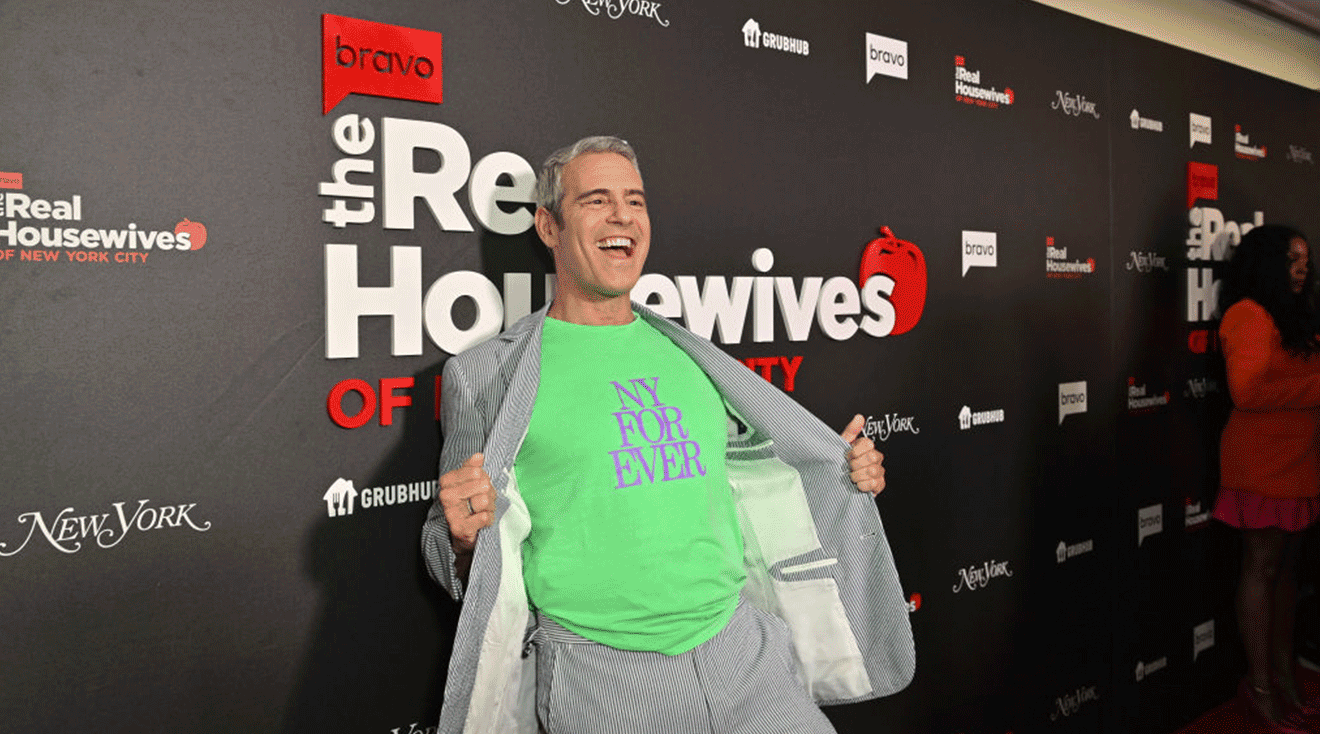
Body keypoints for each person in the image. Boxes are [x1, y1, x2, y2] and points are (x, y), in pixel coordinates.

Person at [421, 136, 914, 734]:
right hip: (605, 684)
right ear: (549, 227)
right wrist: (462, 535)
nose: (623, 216)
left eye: (635, 200)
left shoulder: (693, 354)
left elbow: (759, 480)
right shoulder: (485, 375)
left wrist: (843, 472)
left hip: (747, 656)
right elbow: (448, 549)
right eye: (596, 200)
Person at [1215, 224, 1320, 733]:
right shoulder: (1248, 314)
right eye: (1291, 260)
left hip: (1300, 464)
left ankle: (1281, 672)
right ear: (1265, 264)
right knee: (1262, 570)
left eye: (1306, 260)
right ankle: (1258, 687)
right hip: (1262, 465)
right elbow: (1248, 393)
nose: (1302, 268)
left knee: (1286, 576)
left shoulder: (1296, 317)